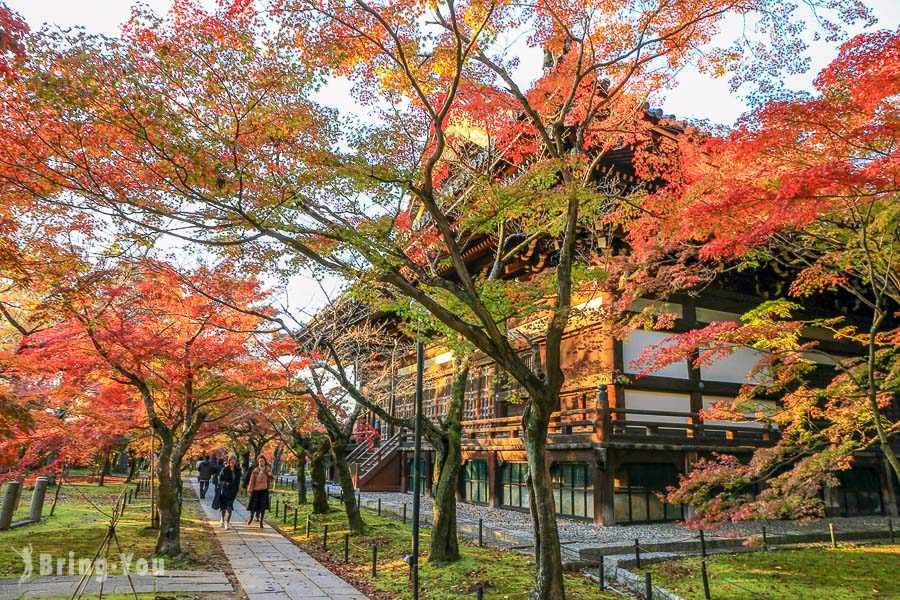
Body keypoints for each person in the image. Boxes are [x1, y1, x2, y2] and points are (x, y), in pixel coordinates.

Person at [246, 455, 274, 528]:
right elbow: (251, 481)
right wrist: (249, 490)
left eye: (263, 461)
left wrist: (271, 475)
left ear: (265, 462)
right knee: (253, 506)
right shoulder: (255, 470)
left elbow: (272, 479)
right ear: (258, 462)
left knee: (263, 507)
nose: (261, 462)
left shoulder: (267, 470)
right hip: (256, 491)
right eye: (260, 461)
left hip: (264, 491)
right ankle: (251, 517)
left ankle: (261, 521)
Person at [217, 455, 241, 530]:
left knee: (229, 508)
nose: (232, 461)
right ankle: (222, 519)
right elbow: (220, 480)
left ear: (236, 461)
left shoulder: (238, 470)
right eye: (231, 459)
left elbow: (238, 481)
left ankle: (227, 523)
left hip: (233, 492)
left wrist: (238, 489)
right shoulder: (225, 469)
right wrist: (225, 483)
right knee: (224, 508)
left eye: (234, 459)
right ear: (229, 460)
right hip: (225, 491)